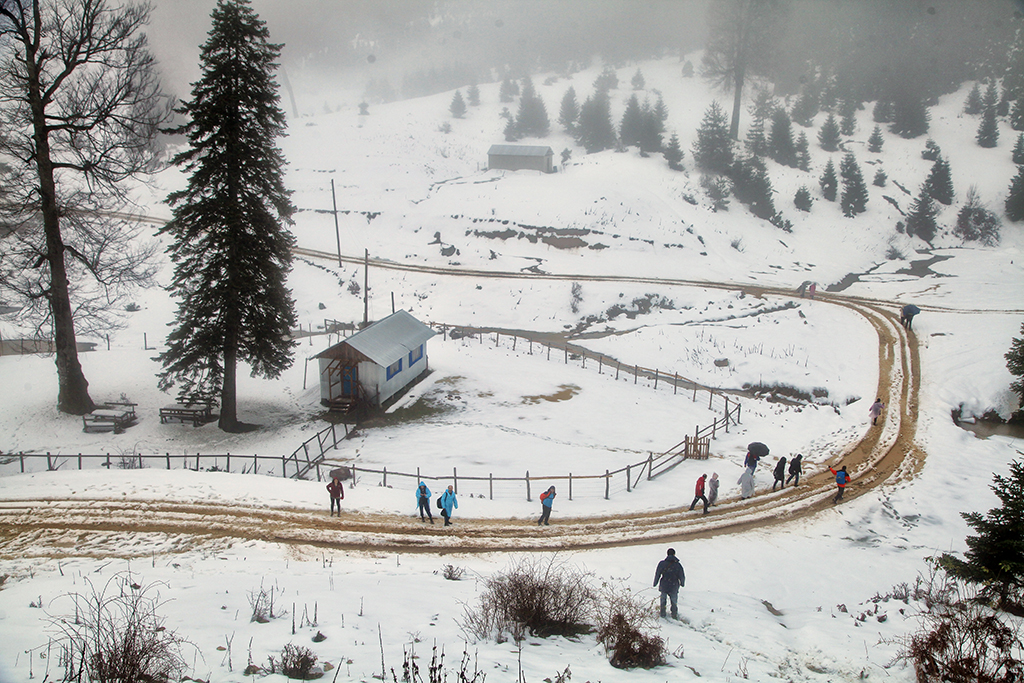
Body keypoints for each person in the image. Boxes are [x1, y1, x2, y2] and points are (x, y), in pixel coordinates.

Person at [653, 548, 685, 619]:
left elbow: (657, 574)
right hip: (674, 585)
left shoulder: (662, 564)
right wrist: (682, 583)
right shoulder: (678, 565)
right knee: (674, 601)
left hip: (664, 584)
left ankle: (662, 614)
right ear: (674, 554)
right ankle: (674, 615)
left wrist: (655, 583)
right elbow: (681, 575)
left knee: (663, 600)